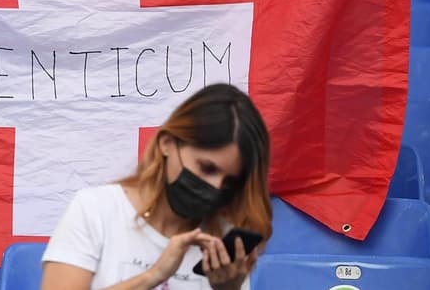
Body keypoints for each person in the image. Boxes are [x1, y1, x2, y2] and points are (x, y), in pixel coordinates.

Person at [41, 84, 270, 290]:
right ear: (167, 144)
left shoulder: (222, 244)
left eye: (229, 181)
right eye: (207, 168)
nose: (215, 187)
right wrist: (153, 275)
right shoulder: (97, 210)